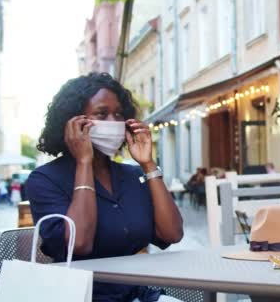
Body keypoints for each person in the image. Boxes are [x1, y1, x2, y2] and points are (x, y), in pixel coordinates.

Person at [26, 72, 184, 302]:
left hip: (136, 294)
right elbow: (79, 243)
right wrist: (83, 162)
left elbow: (172, 233)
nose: (113, 122)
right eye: (102, 114)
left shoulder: (132, 175)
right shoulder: (45, 179)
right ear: (72, 123)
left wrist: (148, 164)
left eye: (119, 114)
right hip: (79, 296)